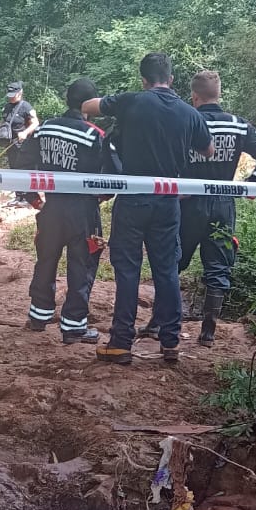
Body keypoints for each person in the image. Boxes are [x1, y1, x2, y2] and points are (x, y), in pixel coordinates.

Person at [82, 53, 213, 367]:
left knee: (128, 271)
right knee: (166, 270)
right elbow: (207, 149)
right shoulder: (188, 112)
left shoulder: (131, 101)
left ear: (144, 79)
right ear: (170, 78)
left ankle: (121, 343)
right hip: (168, 201)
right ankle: (170, 343)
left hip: (133, 196)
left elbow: (89, 106)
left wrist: (97, 109)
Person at [139, 70, 256, 347]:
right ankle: (208, 333)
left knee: (172, 263)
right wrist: (250, 187)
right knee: (218, 266)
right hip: (224, 203)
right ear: (219, 94)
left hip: (187, 203)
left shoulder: (184, 120)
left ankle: (158, 323)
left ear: (194, 96)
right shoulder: (238, 125)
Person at [19, 78, 119, 344]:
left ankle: (38, 317)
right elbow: (115, 176)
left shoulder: (44, 129)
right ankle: (74, 327)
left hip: (51, 208)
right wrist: (98, 199)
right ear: (89, 104)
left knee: (45, 261)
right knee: (82, 266)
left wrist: (33, 198)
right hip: (82, 211)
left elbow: (23, 163)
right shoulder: (94, 135)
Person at [0, 81, 40, 203]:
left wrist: (25, 132)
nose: (11, 97)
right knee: (14, 168)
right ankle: (18, 196)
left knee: (24, 169)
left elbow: (35, 123)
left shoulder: (26, 107)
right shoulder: (7, 107)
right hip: (10, 144)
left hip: (24, 144)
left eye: (13, 94)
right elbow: (2, 122)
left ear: (20, 93)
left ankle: (28, 196)